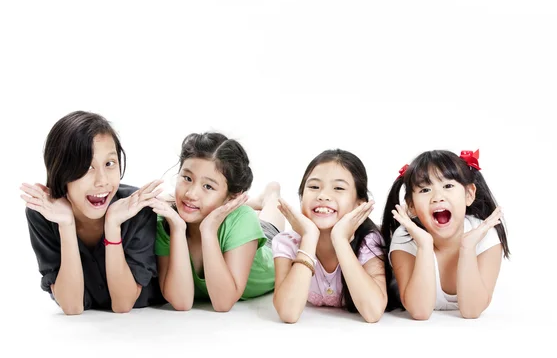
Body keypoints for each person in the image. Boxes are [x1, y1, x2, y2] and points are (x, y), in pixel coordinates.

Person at [20, 110, 164, 314]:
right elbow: (72, 307)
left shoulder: (137, 208)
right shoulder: (44, 213)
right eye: (87, 167)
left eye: (110, 164)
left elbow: (123, 304)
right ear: (61, 171)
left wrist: (113, 225)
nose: (102, 181)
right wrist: (66, 225)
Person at [153, 132, 283, 312]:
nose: (191, 193)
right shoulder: (167, 221)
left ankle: (270, 195)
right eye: (187, 178)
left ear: (231, 196)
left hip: (266, 243)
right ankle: (253, 200)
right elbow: (181, 302)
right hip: (222, 218)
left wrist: (208, 231)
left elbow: (223, 303)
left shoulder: (243, 219)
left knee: (271, 221)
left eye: (208, 186)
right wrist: (177, 230)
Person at [380, 149, 510, 319]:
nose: (437, 197)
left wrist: (468, 247)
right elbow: (420, 312)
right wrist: (425, 246)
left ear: (469, 194)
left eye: (448, 186)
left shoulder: (485, 235)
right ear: (411, 206)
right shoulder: (405, 237)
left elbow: (472, 311)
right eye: (425, 190)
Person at [272, 149, 388, 323]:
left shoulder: (369, 242)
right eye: (313, 187)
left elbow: (373, 312)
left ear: (360, 204)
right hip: (262, 252)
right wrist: (309, 237)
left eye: (338, 188)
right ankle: (270, 195)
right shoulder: (286, 242)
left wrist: (340, 240)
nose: (323, 195)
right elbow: (288, 313)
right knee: (269, 221)